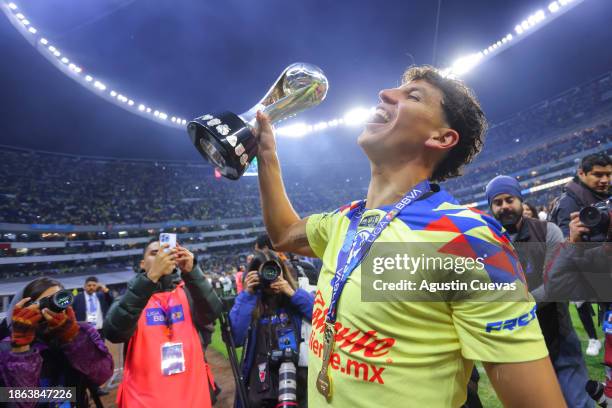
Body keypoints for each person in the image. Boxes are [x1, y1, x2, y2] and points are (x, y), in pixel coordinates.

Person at [253, 65, 565, 406]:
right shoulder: (345, 220)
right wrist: (267, 154)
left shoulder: (466, 238)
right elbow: (283, 233)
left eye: (412, 96)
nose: (385, 94)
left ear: (441, 138)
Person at [486, 175, 593, 408]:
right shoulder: (486, 242)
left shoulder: (547, 231)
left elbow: (558, 283)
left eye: (509, 199)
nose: (504, 206)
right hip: (518, 343)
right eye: (498, 202)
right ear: (491, 208)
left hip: (558, 336)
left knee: (577, 402)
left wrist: (517, 304)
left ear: (520, 200)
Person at [103, 238, 222, 408]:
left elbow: (212, 313)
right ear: (143, 264)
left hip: (194, 397)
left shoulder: (189, 292)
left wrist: (192, 271)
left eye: (167, 252)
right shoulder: (129, 299)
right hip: (145, 400)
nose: (162, 256)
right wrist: (151, 277)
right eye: (154, 253)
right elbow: (114, 332)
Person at [0, 277, 114, 407]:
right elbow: (19, 402)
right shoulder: (7, 346)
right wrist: (21, 347)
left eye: (58, 300)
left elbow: (102, 376)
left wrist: (74, 338)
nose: (53, 308)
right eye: (44, 303)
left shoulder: (81, 332)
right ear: (25, 307)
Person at [230, 249, 314, 408]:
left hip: (296, 386)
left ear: (282, 272)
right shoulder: (250, 304)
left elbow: (320, 316)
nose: (270, 277)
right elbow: (236, 338)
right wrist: (247, 294)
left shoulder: (294, 299)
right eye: (264, 272)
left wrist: (291, 292)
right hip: (260, 388)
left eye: (274, 271)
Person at [549, 152, 611, 356]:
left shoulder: (604, 196)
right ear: (581, 174)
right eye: (598, 174)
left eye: (609, 175)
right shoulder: (568, 204)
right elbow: (563, 252)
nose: (605, 180)